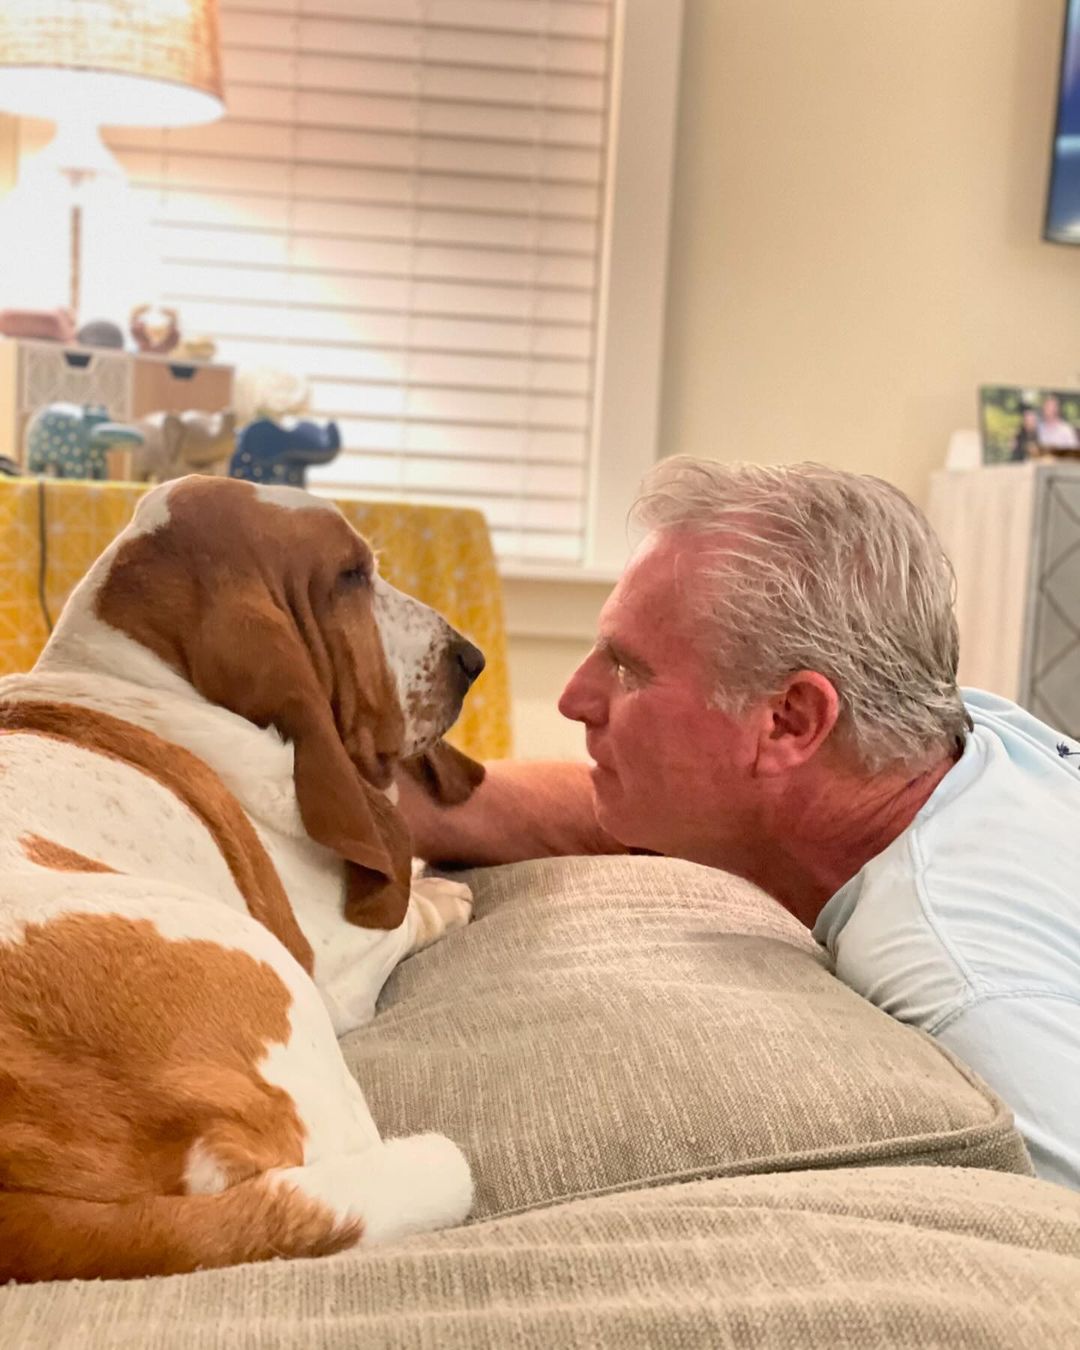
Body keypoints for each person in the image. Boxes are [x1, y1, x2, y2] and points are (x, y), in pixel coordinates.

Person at [398, 457, 1080, 1190]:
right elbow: (651, 808)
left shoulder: (963, 988)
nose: (573, 698)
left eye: (627, 670)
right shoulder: (962, 743)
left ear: (791, 721)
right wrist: (394, 800)